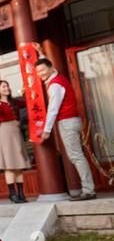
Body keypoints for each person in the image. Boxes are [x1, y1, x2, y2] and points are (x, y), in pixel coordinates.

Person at [35, 57, 96, 201]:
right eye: (38, 71)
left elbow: (53, 109)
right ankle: (88, 188)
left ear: (50, 68)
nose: (41, 73)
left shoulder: (55, 85)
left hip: (67, 122)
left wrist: (47, 130)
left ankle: (89, 190)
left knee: (76, 156)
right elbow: (52, 68)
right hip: (72, 121)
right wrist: (41, 53)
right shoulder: (58, 77)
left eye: (43, 70)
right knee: (77, 155)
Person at [0, 80, 31, 203]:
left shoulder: (14, 102)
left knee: (19, 165)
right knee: (9, 165)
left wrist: (26, 93)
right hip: (6, 132)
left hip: (16, 131)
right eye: (3, 86)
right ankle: (12, 194)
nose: (7, 88)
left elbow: (27, 103)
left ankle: (21, 193)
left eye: (7, 86)